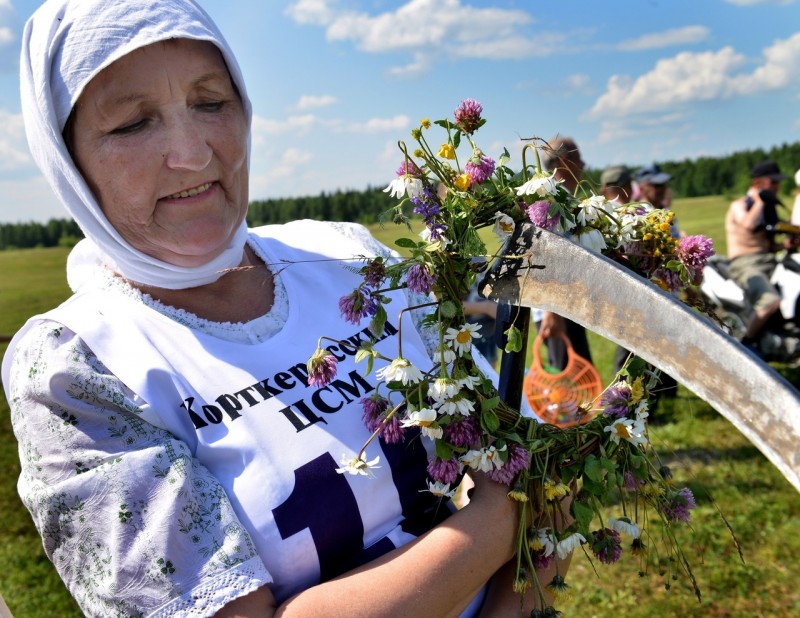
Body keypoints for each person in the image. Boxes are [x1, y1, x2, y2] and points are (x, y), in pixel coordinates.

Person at [1, 1, 565, 616]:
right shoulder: (80, 367)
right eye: (132, 123)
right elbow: (513, 496)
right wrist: (496, 523)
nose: (191, 153)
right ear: (68, 159)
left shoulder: (346, 260)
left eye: (211, 102)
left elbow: (517, 462)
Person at [534, 136, 593, 369]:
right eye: (579, 158)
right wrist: (551, 310)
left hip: (568, 305)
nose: (584, 165)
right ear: (565, 161)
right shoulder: (550, 199)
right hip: (557, 309)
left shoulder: (565, 198)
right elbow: (544, 257)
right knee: (568, 384)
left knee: (577, 376)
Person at [725, 160, 788, 349]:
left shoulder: (769, 210)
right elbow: (749, 224)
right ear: (757, 183)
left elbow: (769, 245)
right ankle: (747, 344)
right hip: (746, 264)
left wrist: (785, 244)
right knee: (769, 301)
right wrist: (759, 199)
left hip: (769, 260)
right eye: (773, 182)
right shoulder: (739, 205)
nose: (777, 187)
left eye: (778, 182)